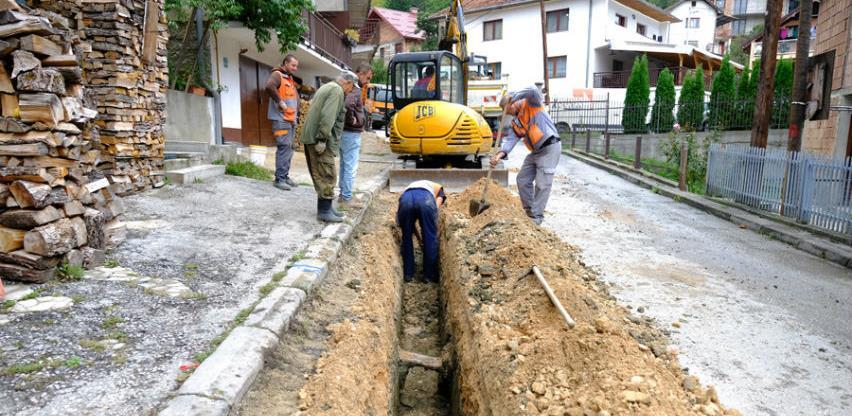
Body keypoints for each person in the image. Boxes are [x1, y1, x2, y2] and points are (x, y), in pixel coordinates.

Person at [490, 87, 561, 225]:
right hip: (536, 152)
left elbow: (533, 90)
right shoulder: (516, 122)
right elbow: (511, 140)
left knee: (542, 184)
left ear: (512, 103)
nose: (509, 113)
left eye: (507, 110)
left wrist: (513, 96)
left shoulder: (531, 102)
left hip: (550, 148)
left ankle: (536, 218)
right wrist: (499, 154)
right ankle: (529, 211)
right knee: (522, 179)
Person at [300, 72, 357, 222]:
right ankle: (324, 212)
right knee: (327, 174)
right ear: (347, 83)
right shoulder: (337, 91)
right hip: (319, 139)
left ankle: (327, 208)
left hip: (311, 136)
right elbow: (328, 116)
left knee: (322, 172)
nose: (350, 91)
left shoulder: (327, 87)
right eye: (351, 88)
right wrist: (322, 139)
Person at [397, 180, 445, 282]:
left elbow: (410, 226)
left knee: (406, 236)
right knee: (430, 238)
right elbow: (434, 210)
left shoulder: (410, 187)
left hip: (405, 200)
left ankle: (408, 274)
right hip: (425, 200)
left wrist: (419, 239)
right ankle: (430, 276)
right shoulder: (440, 190)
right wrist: (432, 232)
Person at [338, 64, 373, 205]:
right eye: (368, 77)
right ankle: (346, 197)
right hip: (351, 133)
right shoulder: (355, 89)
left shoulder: (349, 87)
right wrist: (353, 119)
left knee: (344, 165)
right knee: (350, 166)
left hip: (345, 132)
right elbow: (347, 105)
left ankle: (343, 194)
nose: (368, 81)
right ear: (361, 74)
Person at [265, 54, 300, 191]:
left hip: (289, 119)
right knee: (284, 148)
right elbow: (269, 87)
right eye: (293, 65)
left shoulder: (289, 79)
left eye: (296, 66)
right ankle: (279, 179)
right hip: (281, 119)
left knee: (289, 149)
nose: (295, 68)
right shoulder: (277, 75)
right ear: (285, 63)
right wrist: (280, 102)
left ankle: (284, 176)